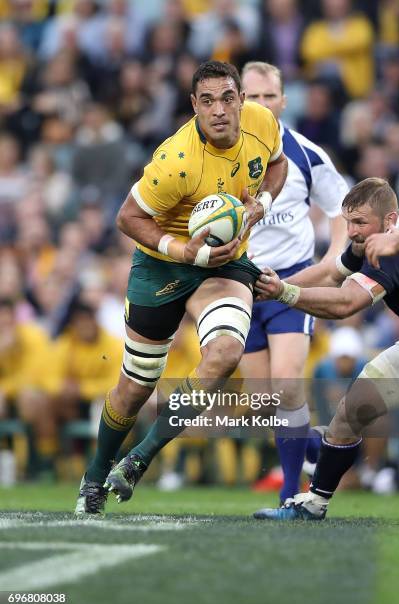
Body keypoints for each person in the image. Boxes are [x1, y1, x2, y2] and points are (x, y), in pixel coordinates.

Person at [75, 60, 288, 515]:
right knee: (136, 386)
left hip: (225, 264)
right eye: (206, 101)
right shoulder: (176, 160)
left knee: (227, 353)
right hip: (163, 265)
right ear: (194, 106)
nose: (218, 110)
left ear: (242, 100)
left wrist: (261, 204)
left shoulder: (263, 123)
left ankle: (140, 457)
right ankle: (94, 476)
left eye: (227, 98)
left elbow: (278, 165)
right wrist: (183, 250)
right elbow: (127, 218)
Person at [252, 177, 399, 520]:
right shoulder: (368, 244)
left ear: (390, 219)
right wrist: (268, 286)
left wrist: (284, 294)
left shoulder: (394, 252)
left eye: (360, 223)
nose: (351, 231)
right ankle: (314, 505)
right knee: (350, 413)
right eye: (348, 221)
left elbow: (345, 304)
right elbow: (329, 275)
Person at [239, 61, 348, 506]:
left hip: (290, 282)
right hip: (238, 285)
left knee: (287, 387)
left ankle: (290, 492)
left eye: (269, 96)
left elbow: (342, 209)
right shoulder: (216, 156)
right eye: (252, 97)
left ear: (283, 101)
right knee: (261, 403)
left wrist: (335, 259)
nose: (262, 104)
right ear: (237, 101)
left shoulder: (306, 154)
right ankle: (315, 449)